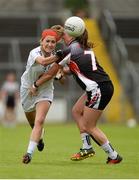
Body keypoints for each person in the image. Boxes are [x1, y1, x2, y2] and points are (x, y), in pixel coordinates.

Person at [31, 16, 123, 164]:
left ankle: (113, 156)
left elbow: (49, 72)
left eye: (64, 32)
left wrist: (35, 84)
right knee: (76, 111)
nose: (62, 35)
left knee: (89, 126)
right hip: (99, 86)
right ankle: (86, 147)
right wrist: (63, 72)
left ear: (70, 33)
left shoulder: (68, 50)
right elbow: (75, 68)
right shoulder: (82, 46)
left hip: (97, 89)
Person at [20, 26, 64, 164]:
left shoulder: (57, 57)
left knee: (39, 121)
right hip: (27, 89)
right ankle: (40, 138)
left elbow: (63, 81)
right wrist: (59, 57)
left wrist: (59, 75)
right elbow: (43, 62)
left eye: (53, 42)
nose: (50, 44)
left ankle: (29, 154)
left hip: (45, 91)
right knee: (33, 124)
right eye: (47, 41)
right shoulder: (35, 52)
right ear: (41, 41)